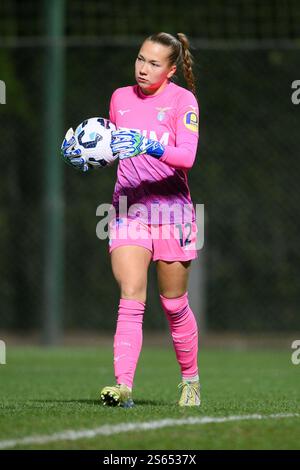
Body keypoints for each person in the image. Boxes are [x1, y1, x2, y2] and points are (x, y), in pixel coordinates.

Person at [61, 32, 201, 408]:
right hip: (127, 210)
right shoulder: (120, 98)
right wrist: (84, 154)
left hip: (172, 211)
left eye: (154, 63)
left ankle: (190, 380)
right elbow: (110, 147)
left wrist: (150, 144)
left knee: (173, 303)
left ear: (171, 70)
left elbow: (187, 156)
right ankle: (123, 387)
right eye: (141, 59)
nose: (143, 68)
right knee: (130, 295)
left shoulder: (182, 100)